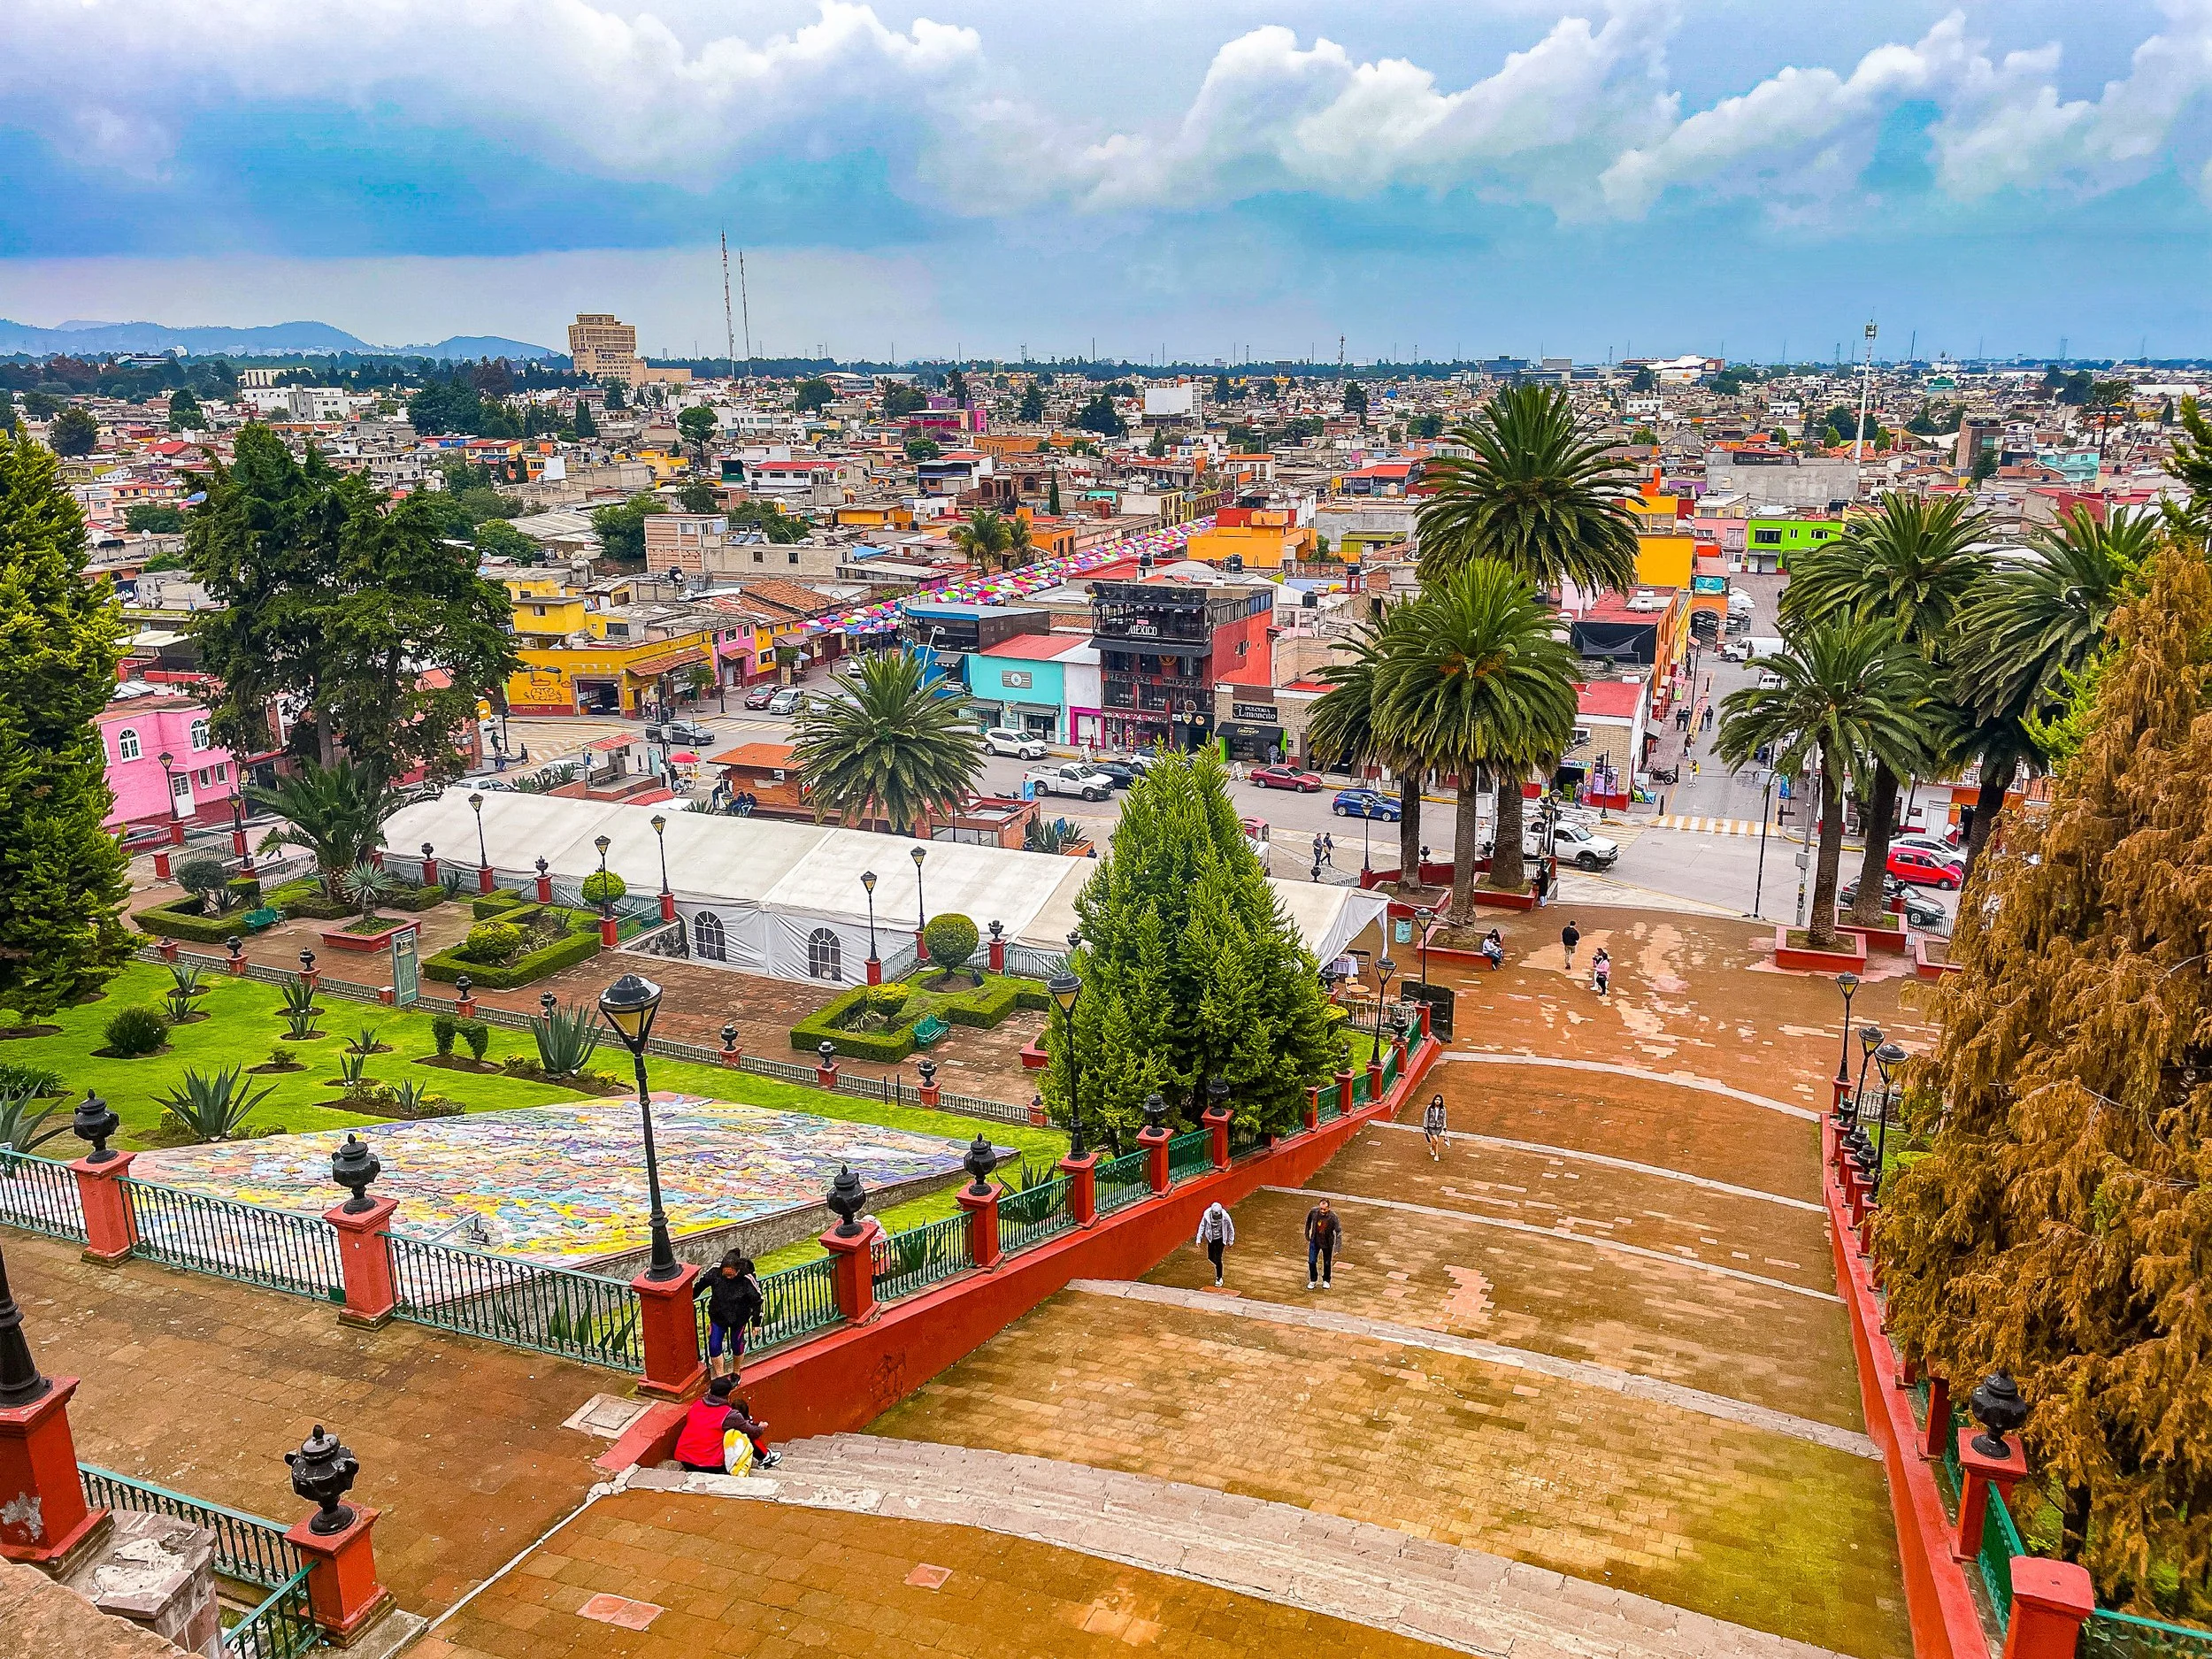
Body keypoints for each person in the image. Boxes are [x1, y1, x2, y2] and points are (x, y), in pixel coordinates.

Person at [672, 1375, 781, 1473]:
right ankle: (765, 1458)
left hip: (685, 1460)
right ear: (728, 1394)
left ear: (710, 1390)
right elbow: (753, 1433)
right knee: (743, 1432)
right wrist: (760, 1427)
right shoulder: (730, 1415)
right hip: (709, 1465)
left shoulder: (697, 1405)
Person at [695, 1250, 764, 1380]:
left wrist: (756, 1323)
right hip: (718, 1316)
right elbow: (699, 1287)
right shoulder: (715, 1272)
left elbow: (758, 1300)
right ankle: (720, 1377)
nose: (728, 1278)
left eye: (731, 1275)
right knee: (714, 1346)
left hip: (739, 1318)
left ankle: (736, 1372)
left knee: (736, 1345)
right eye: (725, 1275)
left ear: (737, 1271)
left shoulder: (746, 1278)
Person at [1304, 1197, 1342, 1288]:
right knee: (1312, 1261)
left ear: (1328, 1208)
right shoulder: (1314, 1212)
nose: (1322, 1211)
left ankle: (1326, 1280)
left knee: (1327, 1262)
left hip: (1327, 1243)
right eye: (1321, 1208)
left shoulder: (1333, 1217)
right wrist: (1307, 1233)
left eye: (1324, 1209)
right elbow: (1308, 1222)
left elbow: (1338, 1231)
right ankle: (1313, 1279)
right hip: (1315, 1240)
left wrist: (1337, 1246)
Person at [1196, 1201, 1235, 1286]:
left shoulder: (1225, 1216)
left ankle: (1219, 1277)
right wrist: (1199, 1238)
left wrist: (1230, 1240)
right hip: (1211, 1238)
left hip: (1221, 1239)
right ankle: (1219, 1265)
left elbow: (1230, 1228)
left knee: (1218, 1257)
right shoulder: (1207, 1215)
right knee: (1210, 1257)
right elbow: (1202, 1225)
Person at [1422, 1092, 1448, 1160]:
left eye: (1439, 1100)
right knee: (1436, 1140)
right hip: (1431, 1126)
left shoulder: (1443, 1109)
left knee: (1434, 1141)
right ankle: (1436, 1155)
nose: (1437, 1101)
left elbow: (1444, 1118)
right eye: (1436, 1099)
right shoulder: (1430, 1108)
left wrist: (1444, 1126)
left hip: (1438, 1127)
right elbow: (1426, 1116)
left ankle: (1432, 1149)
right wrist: (1425, 1126)